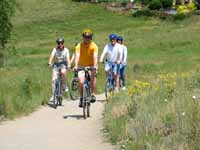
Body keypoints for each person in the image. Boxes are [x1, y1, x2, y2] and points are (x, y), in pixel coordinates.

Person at [74, 29, 98, 107]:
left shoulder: (94, 46)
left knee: (92, 77)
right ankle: (81, 98)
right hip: (81, 65)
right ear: (83, 37)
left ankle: (93, 94)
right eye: (85, 37)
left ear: (91, 38)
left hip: (91, 65)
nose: (86, 39)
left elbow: (95, 56)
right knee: (81, 82)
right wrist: (76, 65)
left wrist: (95, 66)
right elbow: (77, 56)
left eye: (88, 37)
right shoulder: (79, 46)